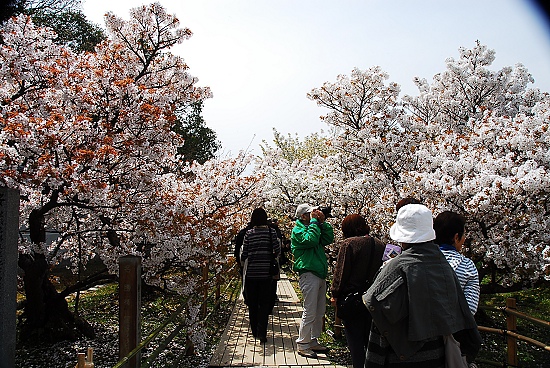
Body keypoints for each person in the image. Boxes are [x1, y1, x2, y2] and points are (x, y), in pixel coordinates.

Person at [363, 204, 481, 367]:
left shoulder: (394, 268)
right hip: (438, 357)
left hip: (399, 357)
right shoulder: (443, 266)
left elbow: (380, 318)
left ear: (401, 238)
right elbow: (465, 312)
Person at [330, 214, 385, 368]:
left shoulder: (349, 244)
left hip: (352, 300)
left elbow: (340, 273)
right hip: (374, 298)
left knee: (355, 342)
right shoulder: (380, 244)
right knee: (370, 340)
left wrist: (335, 294)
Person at [291, 203, 334, 358]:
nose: (314, 215)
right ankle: (302, 343)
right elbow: (311, 240)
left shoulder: (314, 227)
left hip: (319, 272)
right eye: (310, 214)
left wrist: (322, 223)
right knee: (310, 310)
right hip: (309, 273)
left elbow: (328, 238)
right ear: (303, 216)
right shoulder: (298, 230)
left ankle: (313, 340)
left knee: (319, 310)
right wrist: (315, 223)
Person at [240, 208, 281, 343]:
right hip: (266, 274)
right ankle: (262, 333)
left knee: (252, 304)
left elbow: (244, 254)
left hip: (251, 274)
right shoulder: (271, 232)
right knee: (264, 304)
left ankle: (254, 331)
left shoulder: (249, 233)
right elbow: (277, 249)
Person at [433, 211, 480, 315]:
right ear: (456, 237)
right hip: (451, 328)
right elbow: (470, 309)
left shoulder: (420, 259)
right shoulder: (467, 266)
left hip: (417, 327)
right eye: (464, 234)